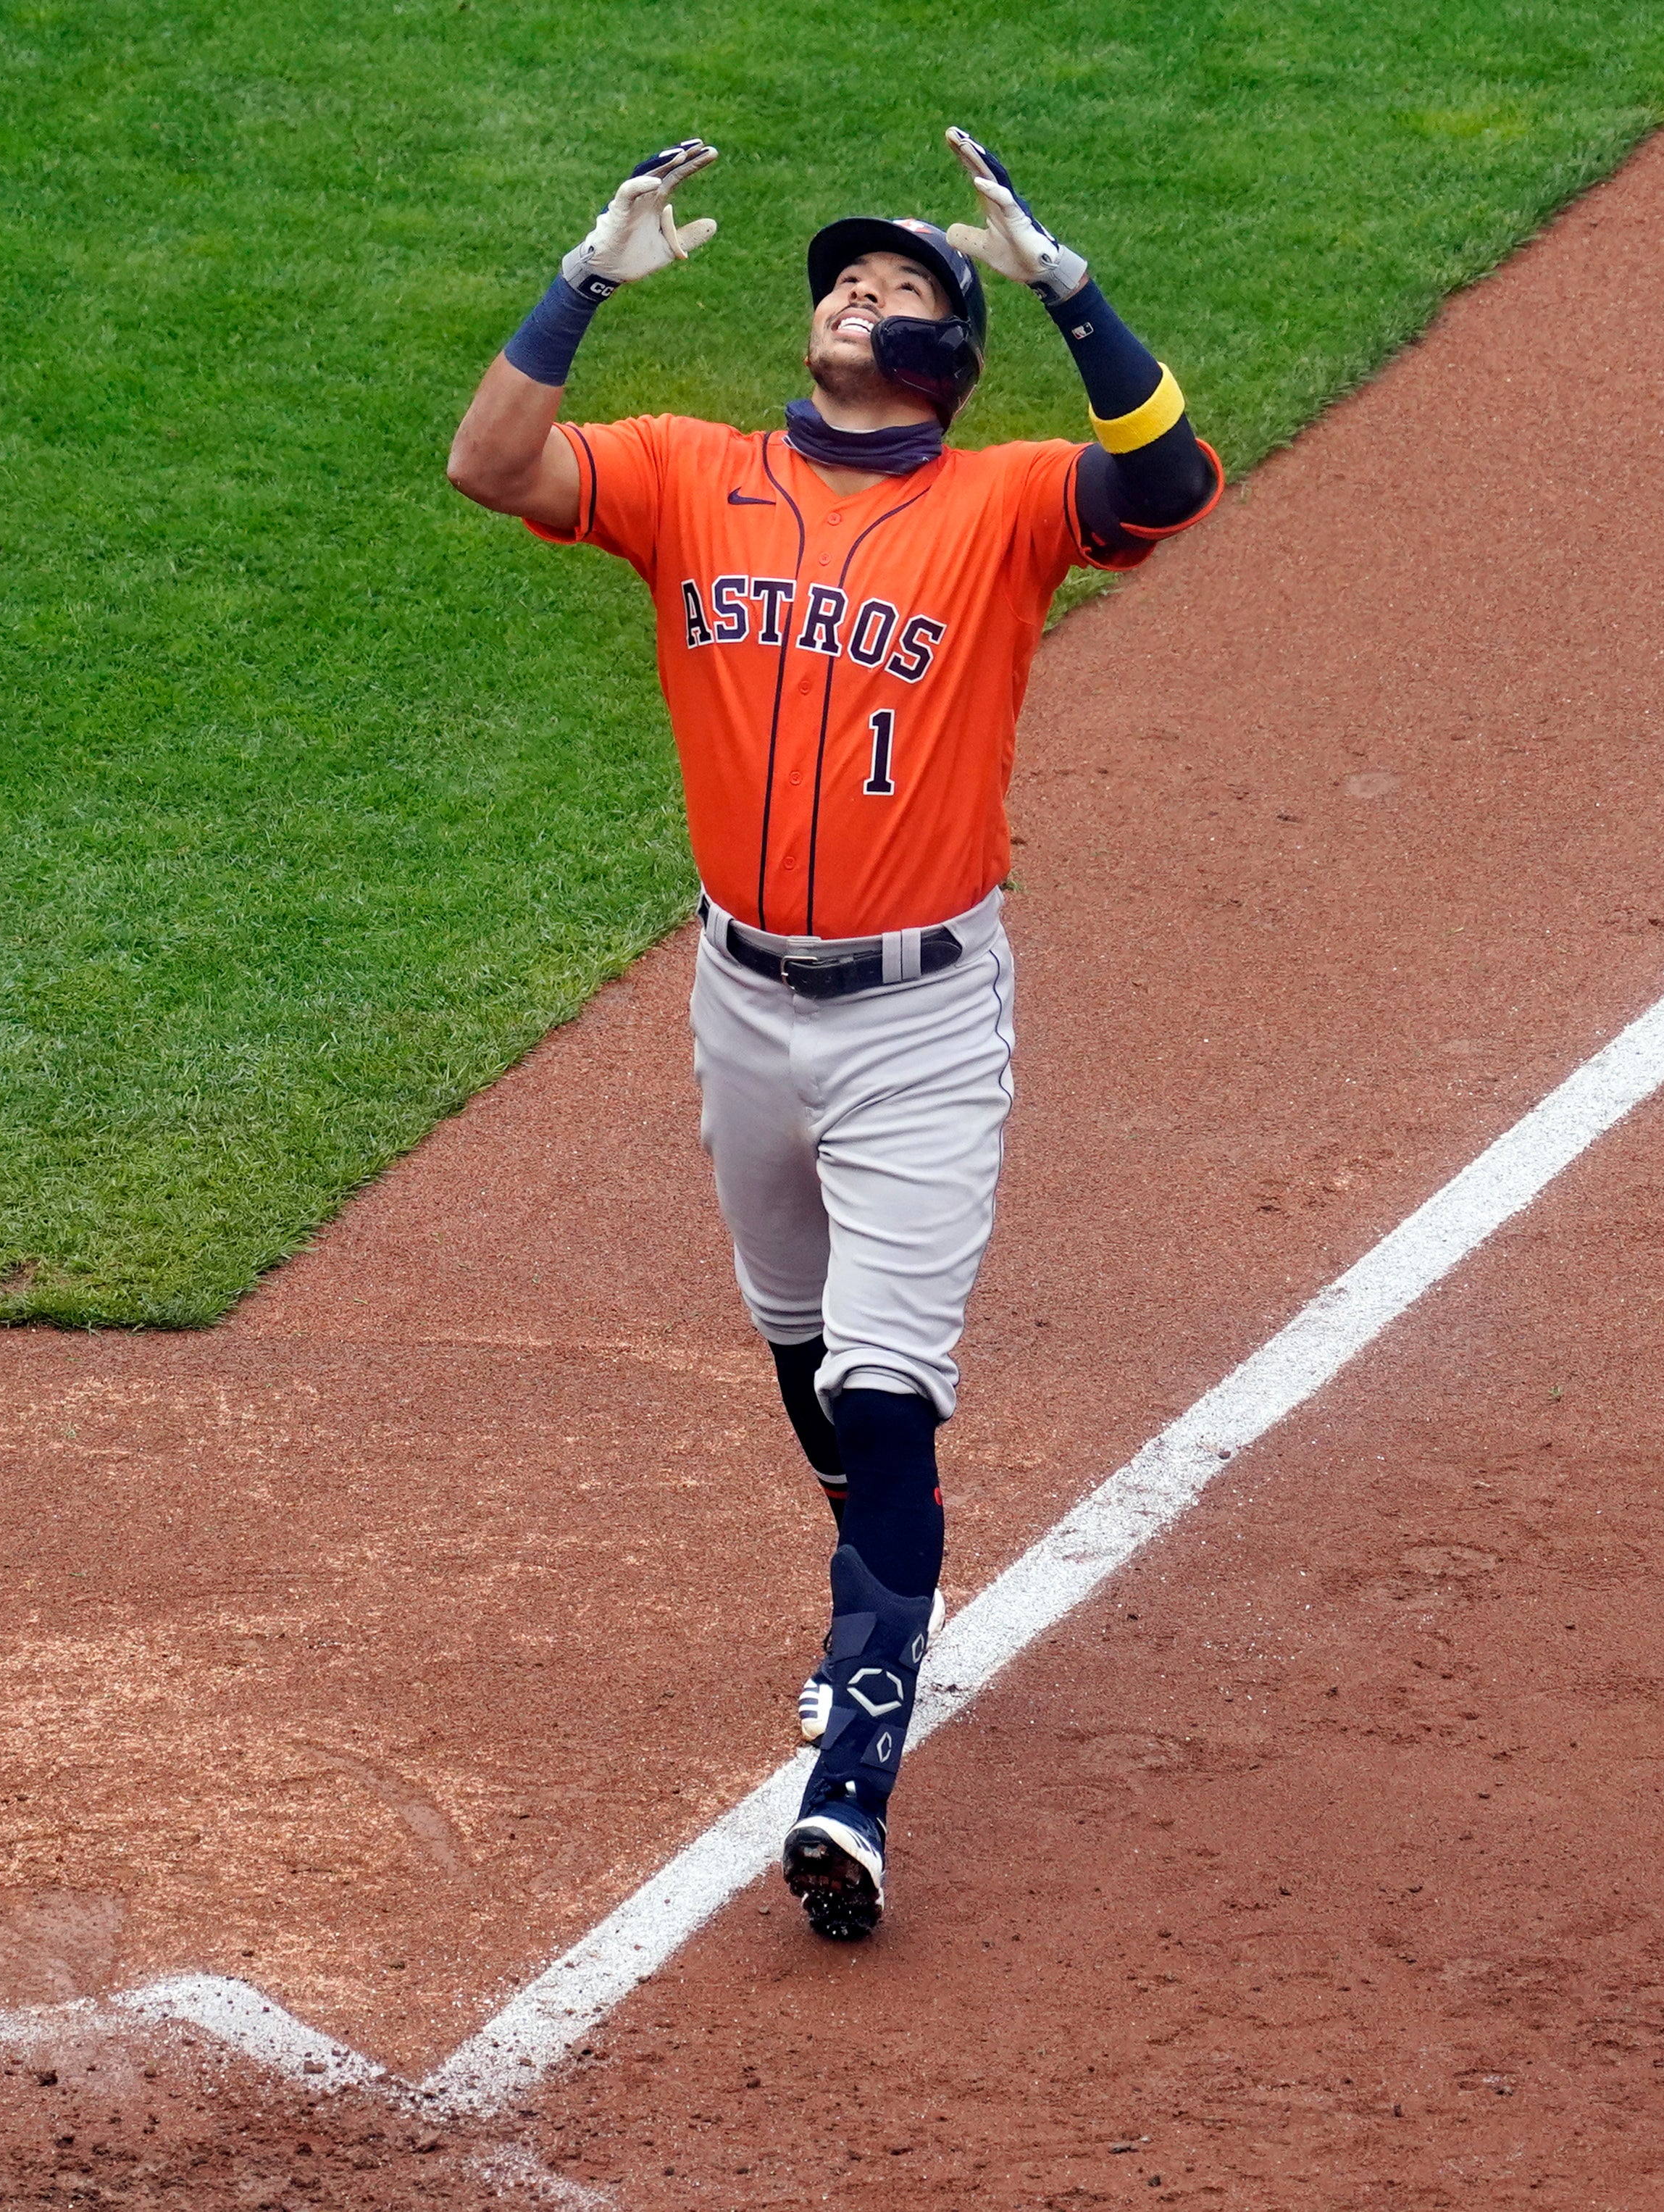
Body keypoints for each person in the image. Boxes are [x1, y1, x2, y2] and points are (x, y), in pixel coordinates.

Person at [444, 130, 1221, 1940]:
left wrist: (1073, 294)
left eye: (898, 290)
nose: (855, 299)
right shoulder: (687, 477)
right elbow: (488, 464)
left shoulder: (1011, 503)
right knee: (795, 1342)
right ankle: (869, 1588)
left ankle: (852, 1784)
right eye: (841, 284)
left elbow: (1170, 487)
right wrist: (583, 281)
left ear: (953, 354)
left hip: (924, 1020)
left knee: (886, 1388)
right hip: (741, 995)